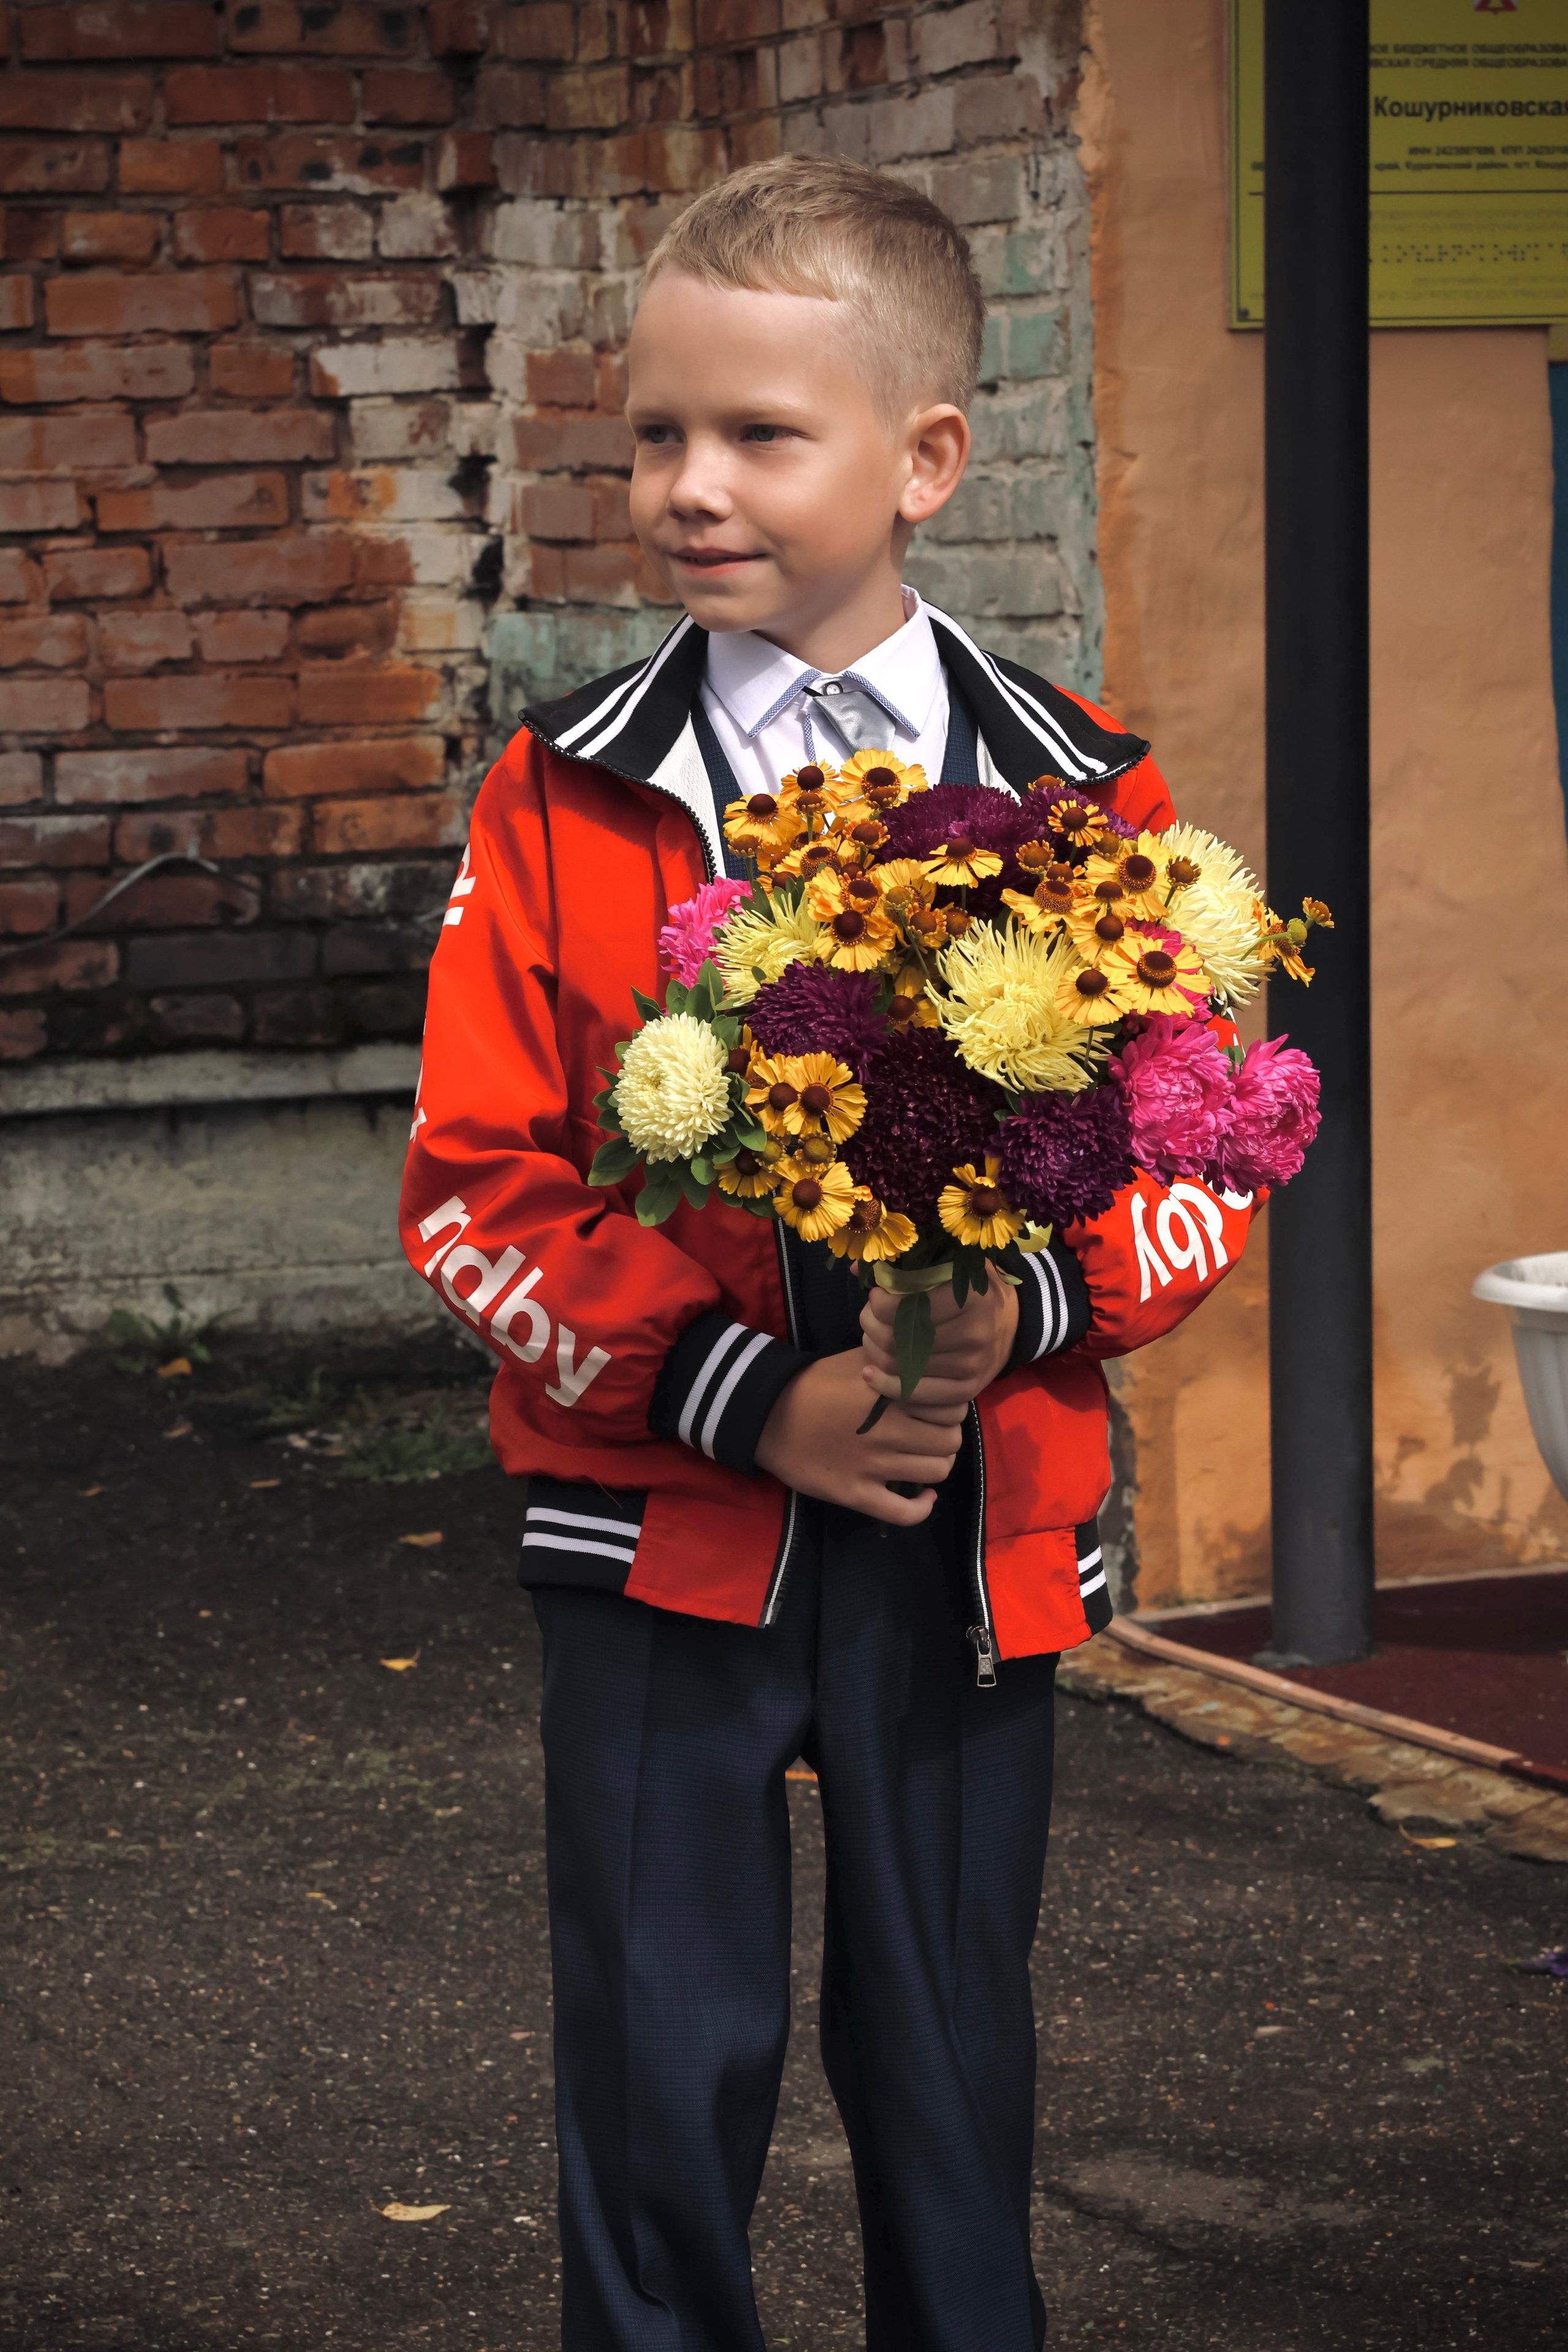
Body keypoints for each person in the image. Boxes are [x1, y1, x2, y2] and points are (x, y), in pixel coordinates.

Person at [399, 155, 1254, 2351]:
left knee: (955, 2070)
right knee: (661, 2064)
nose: (692, 487)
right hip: (662, 1532)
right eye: (657, 435)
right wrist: (751, 1394)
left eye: (762, 435)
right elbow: (472, 1183)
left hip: (973, 1541)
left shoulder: (1091, 799)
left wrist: (1026, 1307)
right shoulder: (559, 797)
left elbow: (1209, 1151)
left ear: (927, 457)